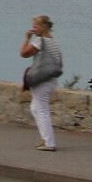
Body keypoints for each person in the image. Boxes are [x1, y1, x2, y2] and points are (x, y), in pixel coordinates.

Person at [20, 15, 62, 151]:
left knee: (42, 110)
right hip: (51, 80)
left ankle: (49, 143)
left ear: (43, 27)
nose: (33, 29)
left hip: (42, 81)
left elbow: (24, 53)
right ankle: (45, 140)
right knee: (35, 108)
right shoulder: (53, 41)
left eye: (35, 26)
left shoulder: (40, 41)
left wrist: (27, 38)